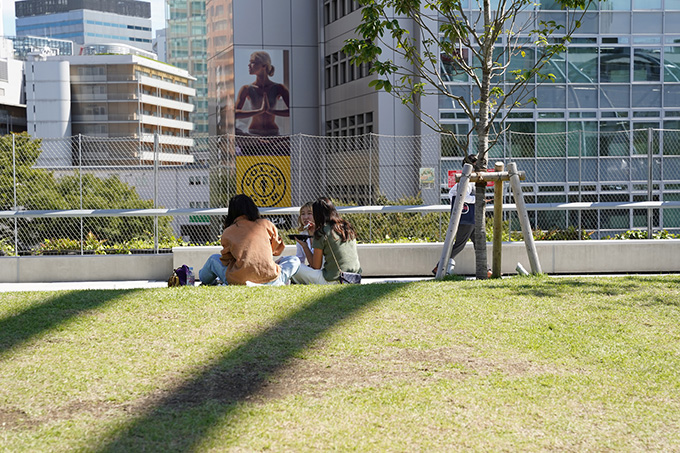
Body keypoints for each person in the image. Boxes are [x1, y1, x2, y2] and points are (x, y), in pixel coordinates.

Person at [199, 194, 300, 286]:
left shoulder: (228, 231)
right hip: (270, 278)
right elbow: (277, 250)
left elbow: (226, 259)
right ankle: (277, 281)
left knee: (213, 259)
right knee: (294, 260)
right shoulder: (266, 224)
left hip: (240, 280)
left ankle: (210, 281)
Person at [292, 197, 362, 285]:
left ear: (317, 215)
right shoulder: (346, 226)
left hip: (334, 280)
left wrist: (305, 246)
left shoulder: (321, 232)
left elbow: (315, 267)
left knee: (292, 266)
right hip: (354, 278)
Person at [433, 154, 479, 276]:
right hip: (467, 219)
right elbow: (462, 196)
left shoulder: (467, 180)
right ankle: (440, 266)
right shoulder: (467, 182)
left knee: (478, 243)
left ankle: (487, 269)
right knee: (460, 244)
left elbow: (451, 194)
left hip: (470, 218)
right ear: (473, 166)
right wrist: (478, 199)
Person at [235, 51, 290, 136]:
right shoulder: (246, 89)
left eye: (253, 62)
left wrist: (271, 111)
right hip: (254, 133)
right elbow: (235, 113)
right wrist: (259, 111)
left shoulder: (279, 88)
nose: (249, 65)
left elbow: (292, 111)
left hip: (273, 133)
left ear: (264, 66)